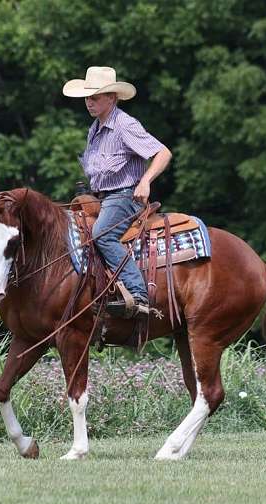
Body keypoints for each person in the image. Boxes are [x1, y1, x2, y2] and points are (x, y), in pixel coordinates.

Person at [63, 66, 172, 317]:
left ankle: (138, 294)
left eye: (95, 97)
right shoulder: (95, 129)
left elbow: (163, 153)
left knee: (102, 234)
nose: (89, 103)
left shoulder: (124, 125)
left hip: (124, 196)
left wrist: (145, 181)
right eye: (87, 98)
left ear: (112, 98)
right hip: (102, 197)